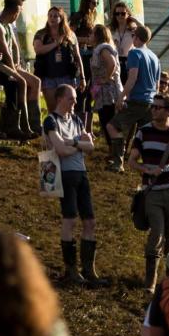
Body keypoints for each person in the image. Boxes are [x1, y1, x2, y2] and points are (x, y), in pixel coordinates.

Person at [43, 84, 108, 286]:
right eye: (71, 98)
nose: (75, 102)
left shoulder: (77, 119)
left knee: (90, 221)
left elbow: (90, 147)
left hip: (81, 173)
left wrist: (73, 143)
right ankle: (71, 269)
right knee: (69, 219)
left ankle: (88, 269)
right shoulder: (50, 121)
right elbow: (60, 150)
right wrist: (76, 143)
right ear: (60, 99)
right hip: (63, 174)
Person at [131, 92, 169, 292]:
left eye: (158, 107)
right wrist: (146, 169)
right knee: (156, 234)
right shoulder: (143, 132)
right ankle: (150, 282)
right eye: (153, 106)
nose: (153, 110)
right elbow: (131, 161)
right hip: (153, 192)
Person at [0, 0, 37, 138]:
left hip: (5, 63)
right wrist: (15, 71)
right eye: (19, 11)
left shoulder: (6, 25)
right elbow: (5, 53)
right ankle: (19, 126)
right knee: (21, 82)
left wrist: (17, 65)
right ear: (15, 11)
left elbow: (14, 47)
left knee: (34, 81)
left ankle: (31, 123)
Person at [108, 24, 161, 173]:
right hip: (150, 102)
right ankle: (149, 163)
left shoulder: (134, 54)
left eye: (133, 36)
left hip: (137, 100)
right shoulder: (154, 57)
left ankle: (118, 162)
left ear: (136, 38)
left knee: (112, 126)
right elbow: (157, 85)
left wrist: (121, 97)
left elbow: (132, 78)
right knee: (144, 135)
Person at [33, 6, 84, 114]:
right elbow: (38, 50)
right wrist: (56, 43)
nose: (52, 18)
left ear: (61, 18)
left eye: (56, 16)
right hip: (48, 77)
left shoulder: (70, 34)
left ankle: (67, 129)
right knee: (52, 109)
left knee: (69, 109)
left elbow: (77, 56)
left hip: (67, 77)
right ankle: (54, 129)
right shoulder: (41, 34)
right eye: (50, 16)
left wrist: (82, 77)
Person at [90, 23, 121, 146]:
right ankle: (112, 150)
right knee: (105, 121)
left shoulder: (103, 48)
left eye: (92, 33)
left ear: (98, 36)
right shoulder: (101, 48)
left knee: (108, 121)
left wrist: (105, 78)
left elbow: (112, 63)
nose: (90, 35)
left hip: (108, 92)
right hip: (102, 91)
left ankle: (115, 151)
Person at [110, 1, 138, 82]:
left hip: (128, 62)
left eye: (123, 13)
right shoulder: (111, 29)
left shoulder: (133, 30)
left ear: (128, 14)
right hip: (115, 61)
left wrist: (135, 21)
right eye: (117, 14)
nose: (120, 16)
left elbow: (146, 35)